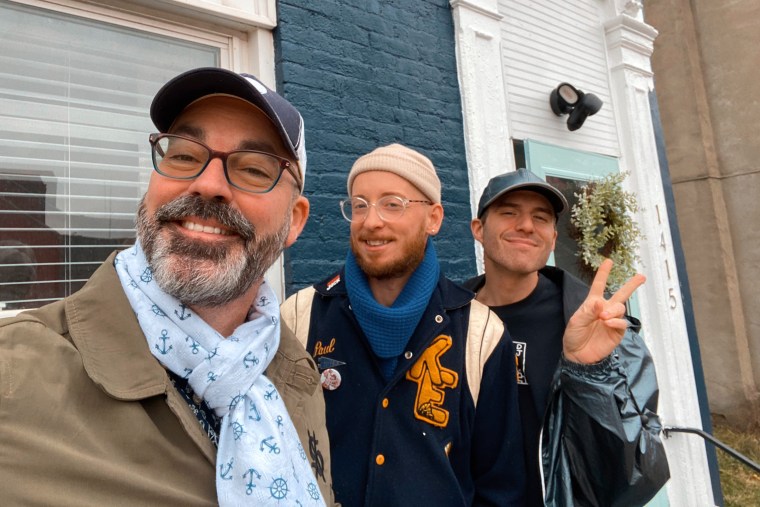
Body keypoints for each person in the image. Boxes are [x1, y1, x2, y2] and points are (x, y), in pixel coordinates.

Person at [0, 67, 335, 506]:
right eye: (183, 156)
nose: (207, 184)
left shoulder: (298, 377)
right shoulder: (16, 379)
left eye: (254, 168)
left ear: (294, 220)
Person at [281, 143, 526, 506]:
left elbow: (500, 488)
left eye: (392, 204)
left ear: (434, 218)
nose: (371, 221)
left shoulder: (480, 334)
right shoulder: (300, 316)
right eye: (359, 205)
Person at [464, 168, 670, 507]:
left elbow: (634, 474)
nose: (527, 225)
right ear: (478, 229)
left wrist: (590, 375)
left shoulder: (602, 331)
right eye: (509, 212)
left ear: (553, 238)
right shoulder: (448, 317)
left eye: (541, 217)